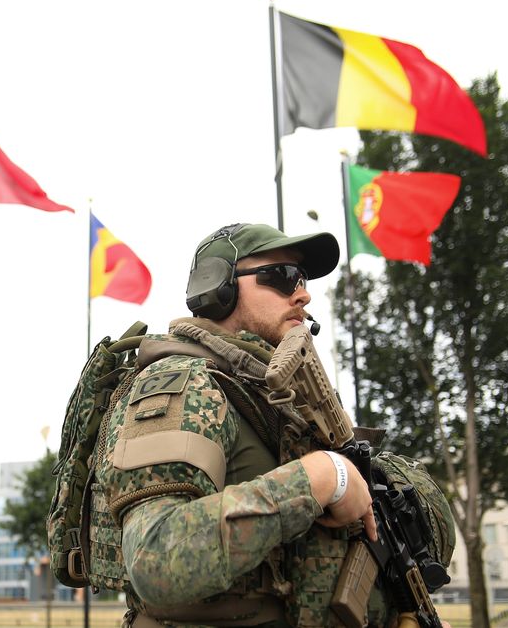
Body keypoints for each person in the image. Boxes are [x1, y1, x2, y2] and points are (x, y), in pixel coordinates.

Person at [91, 223, 383, 627]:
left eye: (302, 279)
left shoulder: (269, 397)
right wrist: (318, 477)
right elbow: (155, 558)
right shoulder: (186, 383)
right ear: (218, 286)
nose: (303, 293)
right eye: (282, 277)